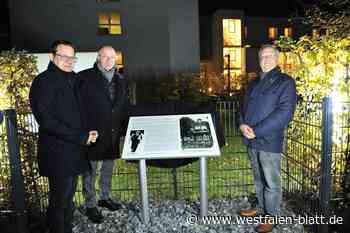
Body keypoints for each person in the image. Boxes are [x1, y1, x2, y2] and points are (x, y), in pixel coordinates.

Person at [29, 40, 98, 233]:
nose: (69, 61)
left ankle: (58, 228)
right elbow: (47, 120)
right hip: (57, 153)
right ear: (52, 57)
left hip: (74, 151)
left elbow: (80, 111)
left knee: (66, 199)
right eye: (63, 56)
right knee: (60, 200)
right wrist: (80, 136)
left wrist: (88, 131)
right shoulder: (43, 82)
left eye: (72, 57)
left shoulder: (73, 79)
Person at [238, 44, 297, 233]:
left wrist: (257, 130)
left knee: (271, 182)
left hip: (269, 141)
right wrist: (241, 124)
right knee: (258, 178)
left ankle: (271, 217)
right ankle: (262, 209)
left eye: (269, 56)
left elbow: (285, 113)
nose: (265, 60)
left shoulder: (285, 82)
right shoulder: (253, 83)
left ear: (277, 59)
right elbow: (243, 108)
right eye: (262, 57)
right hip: (251, 140)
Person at [79, 46, 129, 223]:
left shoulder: (120, 79)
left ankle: (104, 198)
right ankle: (90, 205)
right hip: (92, 133)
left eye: (112, 57)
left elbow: (123, 107)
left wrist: (125, 129)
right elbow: (78, 107)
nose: (109, 60)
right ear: (98, 58)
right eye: (105, 57)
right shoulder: (84, 77)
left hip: (113, 133)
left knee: (108, 169)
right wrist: (82, 131)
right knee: (90, 171)